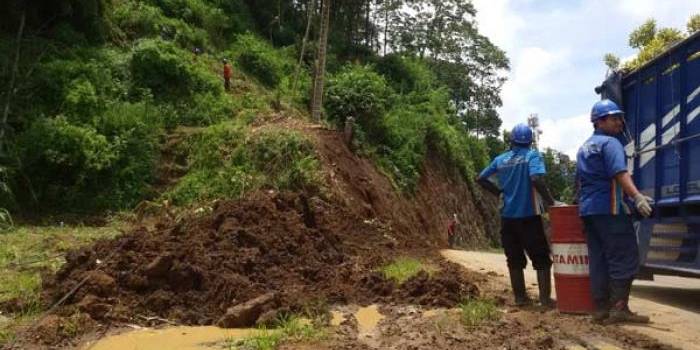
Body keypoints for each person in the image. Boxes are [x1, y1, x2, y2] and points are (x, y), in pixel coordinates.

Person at [576, 99, 653, 324]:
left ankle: (600, 310)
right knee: (624, 256)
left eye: (620, 117)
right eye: (614, 118)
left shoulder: (584, 147)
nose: (620, 122)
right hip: (609, 209)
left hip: (589, 211)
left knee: (599, 259)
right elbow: (620, 173)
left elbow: (579, 182)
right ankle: (619, 308)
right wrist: (637, 197)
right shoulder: (611, 144)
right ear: (599, 121)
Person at [477, 123, 556, 307]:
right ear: (530, 142)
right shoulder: (532, 156)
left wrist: (498, 192)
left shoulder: (500, 160)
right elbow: (536, 178)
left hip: (508, 219)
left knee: (514, 258)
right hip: (529, 217)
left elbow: (481, 178)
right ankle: (544, 300)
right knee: (541, 259)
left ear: (511, 141)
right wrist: (551, 202)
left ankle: (520, 298)